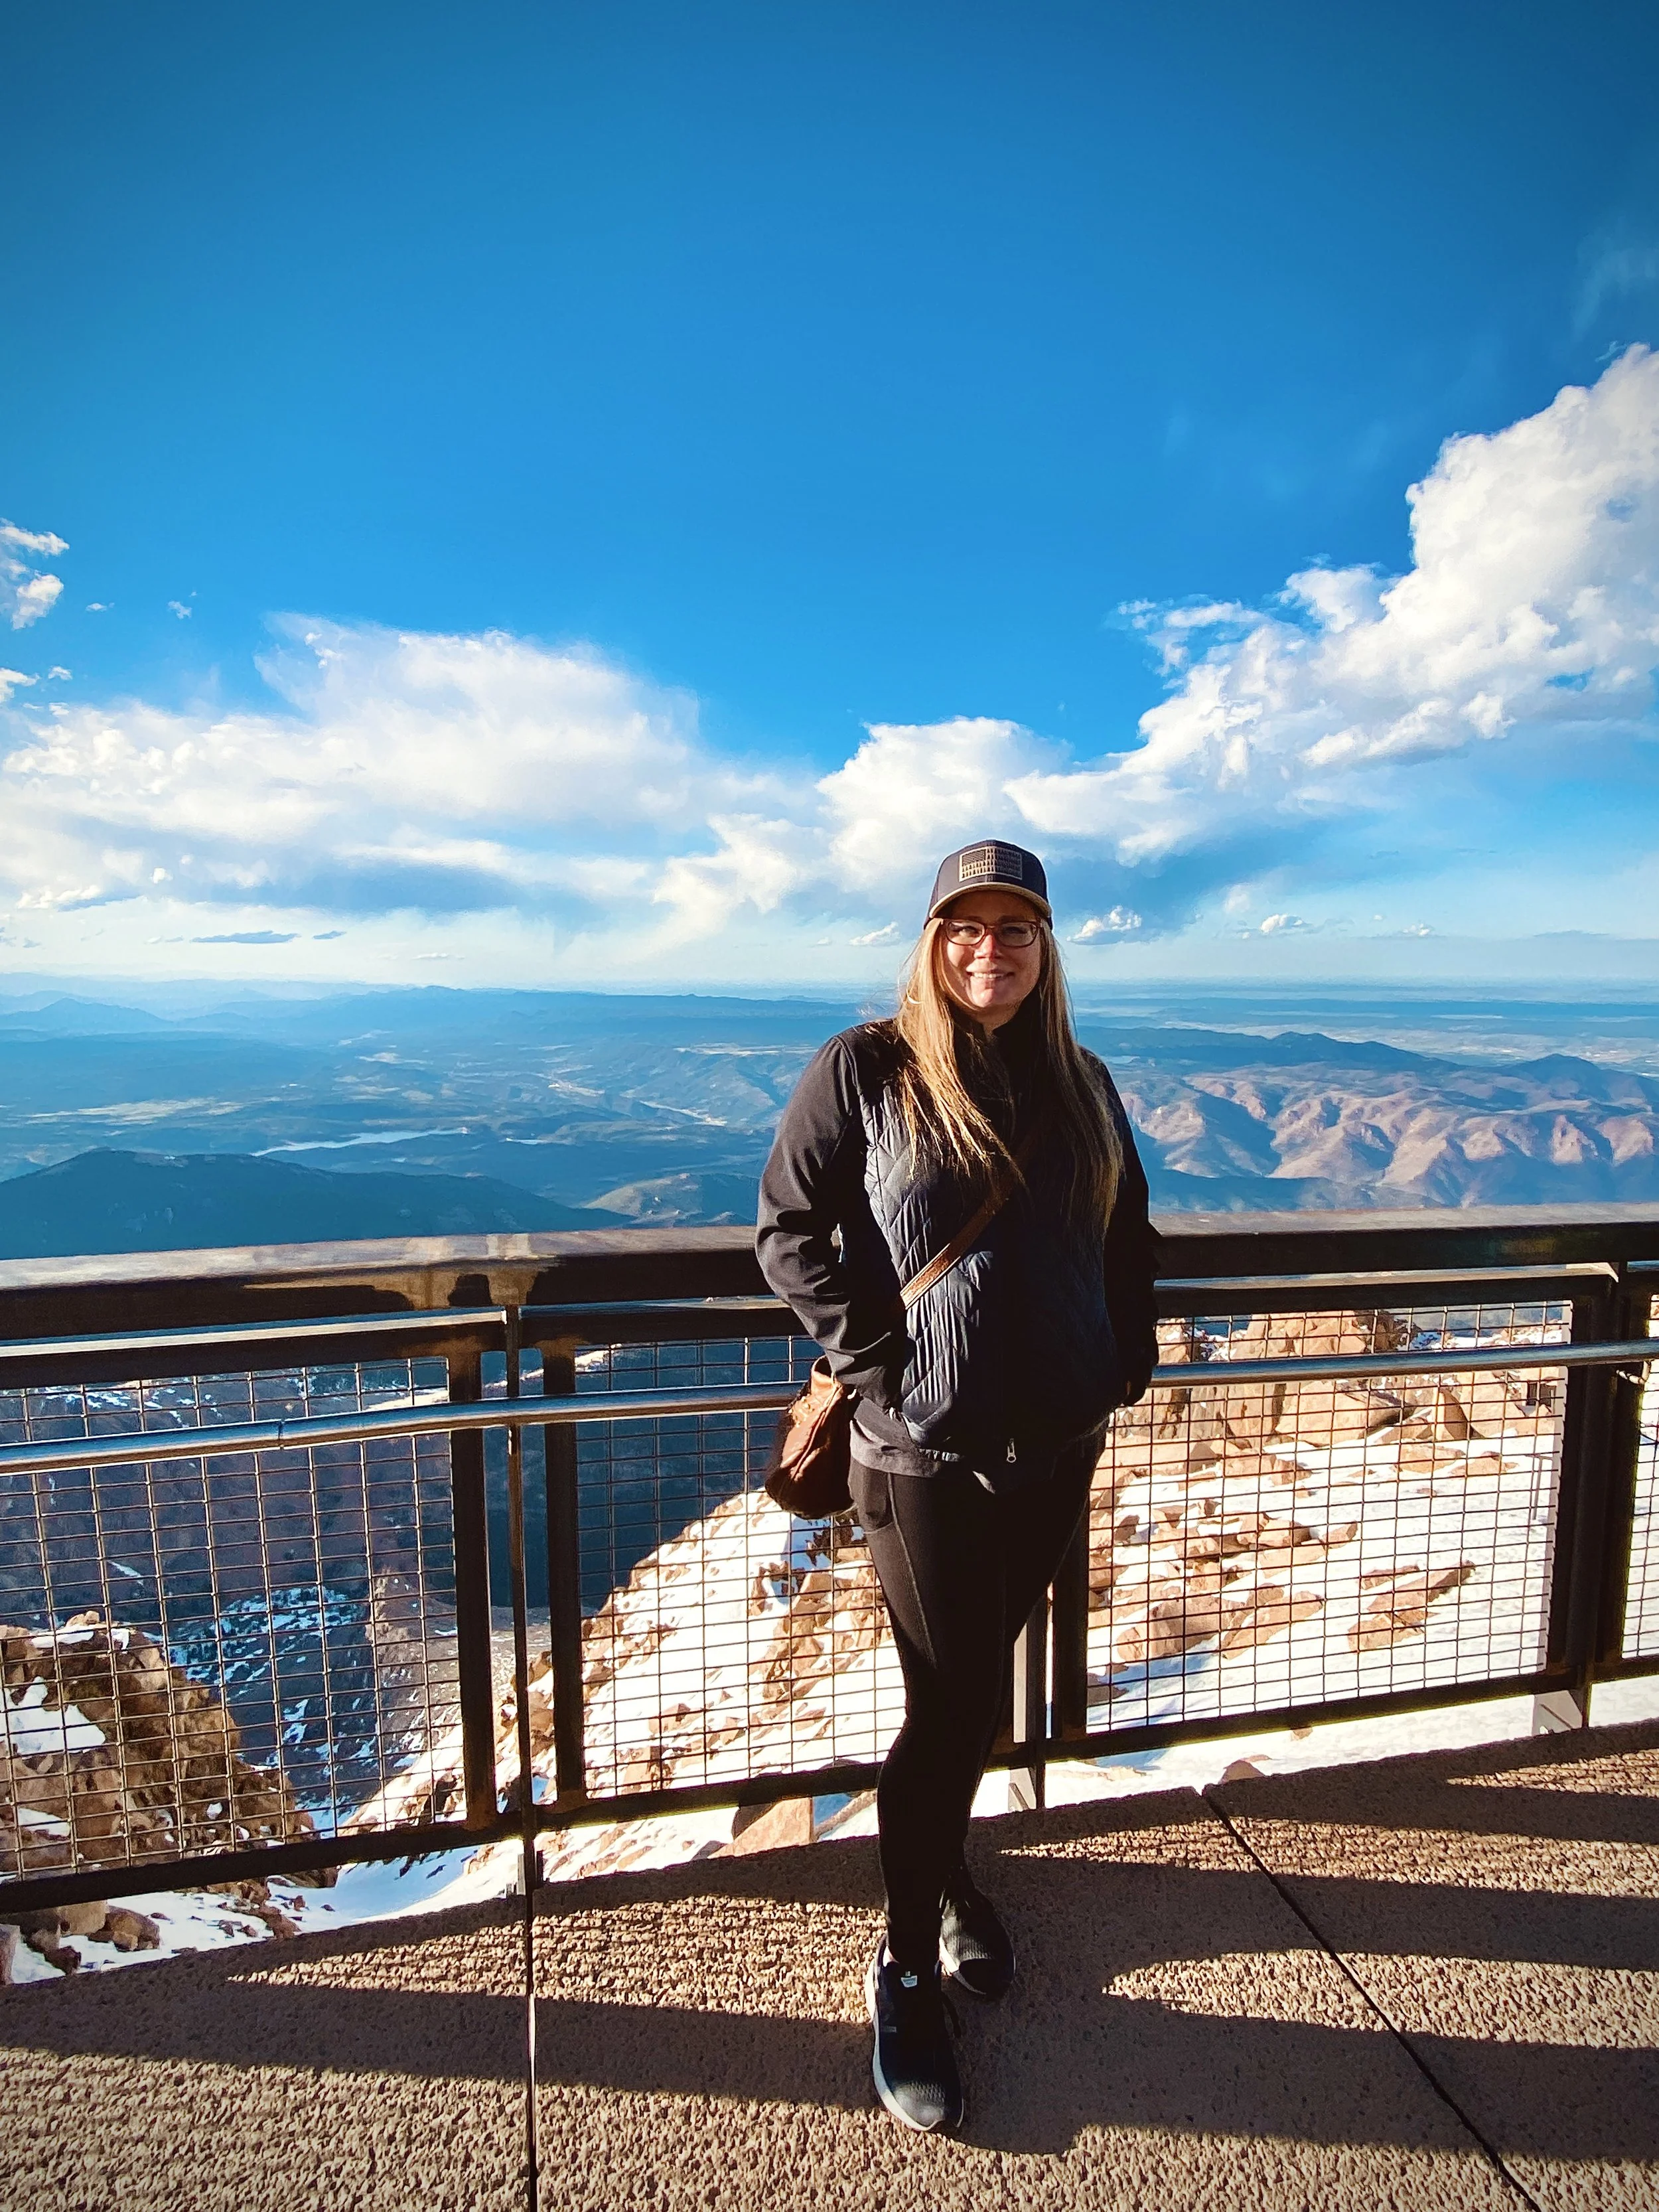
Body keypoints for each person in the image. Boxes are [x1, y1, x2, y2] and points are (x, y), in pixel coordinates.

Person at [755, 838, 1159, 2135]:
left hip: (1054, 1444)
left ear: (1047, 950)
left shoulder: (1079, 1079)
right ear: (930, 940)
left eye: (1018, 930)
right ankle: (906, 1961)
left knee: (975, 1691)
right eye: (964, 927)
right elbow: (784, 1226)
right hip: (919, 1455)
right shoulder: (864, 1067)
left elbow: (1122, 1232)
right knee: (950, 1704)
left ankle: (942, 1877)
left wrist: (1123, 1360)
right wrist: (875, 1364)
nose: (990, 949)